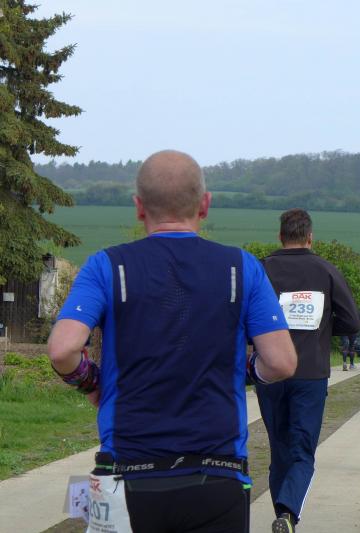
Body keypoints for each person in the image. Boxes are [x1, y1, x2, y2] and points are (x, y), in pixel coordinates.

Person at [47, 150, 297, 533]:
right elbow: (281, 362)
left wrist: (91, 382)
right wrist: (242, 370)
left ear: (139, 207)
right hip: (218, 472)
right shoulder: (242, 267)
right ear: (205, 204)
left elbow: (63, 349)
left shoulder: (105, 266)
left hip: (124, 472)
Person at [257, 208, 360, 533]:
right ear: (310, 237)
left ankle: (283, 516)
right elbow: (352, 322)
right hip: (310, 374)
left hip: (270, 372)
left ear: (280, 236)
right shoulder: (326, 270)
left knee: (279, 450)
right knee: (302, 450)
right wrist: (321, 331)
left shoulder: (261, 269)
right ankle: (287, 515)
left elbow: (242, 319)